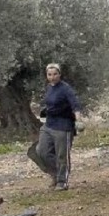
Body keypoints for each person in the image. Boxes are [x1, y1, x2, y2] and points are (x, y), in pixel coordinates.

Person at [35, 63, 84, 191]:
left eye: (55, 74)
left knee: (62, 156)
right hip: (49, 125)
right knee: (41, 152)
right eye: (49, 75)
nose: (52, 77)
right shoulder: (49, 87)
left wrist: (79, 121)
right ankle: (56, 174)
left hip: (63, 127)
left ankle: (62, 182)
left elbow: (76, 105)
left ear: (60, 74)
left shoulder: (66, 89)